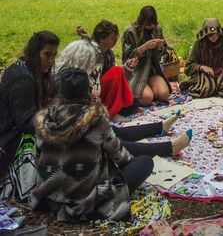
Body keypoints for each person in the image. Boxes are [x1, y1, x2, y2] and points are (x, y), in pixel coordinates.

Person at [31, 67, 153, 222]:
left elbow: (39, 156)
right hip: (85, 202)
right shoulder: (96, 119)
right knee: (145, 162)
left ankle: (160, 131)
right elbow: (120, 156)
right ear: (87, 92)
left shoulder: (44, 121)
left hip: (49, 197)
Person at [0, 31, 60, 201]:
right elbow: (28, 123)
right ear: (35, 52)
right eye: (47, 54)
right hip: (8, 143)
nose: (51, 60)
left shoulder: (27, 70)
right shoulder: (22, 79)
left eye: (54, 55)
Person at [56, 20, 137, 120]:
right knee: (117, 71)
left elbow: (112, 76)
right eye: (112, 38)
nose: (115, 40)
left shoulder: (108, 53)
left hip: (98, 90)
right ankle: (109, 111)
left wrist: (128, 67)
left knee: (132, 100)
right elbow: (85, 78)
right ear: (102, 38)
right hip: (86, 93)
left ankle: (112, 108)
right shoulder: (91, 52)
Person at [122, 6, 171, 105]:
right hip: (136, 72)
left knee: (164, 95)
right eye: (148, 24)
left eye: (153, 24)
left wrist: (160, 47)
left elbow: (162, 54)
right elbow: (126, 58)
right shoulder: (130, 31)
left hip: (152, 70)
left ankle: (149, 86)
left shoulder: (157, 29)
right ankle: (135, 89)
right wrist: (143, 48)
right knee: (147, 98)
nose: (151, 27)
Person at [180, 18, 223, 98]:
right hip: (204, 74)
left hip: (221, 73)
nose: (213, 37)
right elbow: (188, 67)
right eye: (210, 35)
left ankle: (218, 86)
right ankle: (202, 84)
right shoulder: (199, 43)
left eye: (215, 34)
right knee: (208, 88)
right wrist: (202, 67)